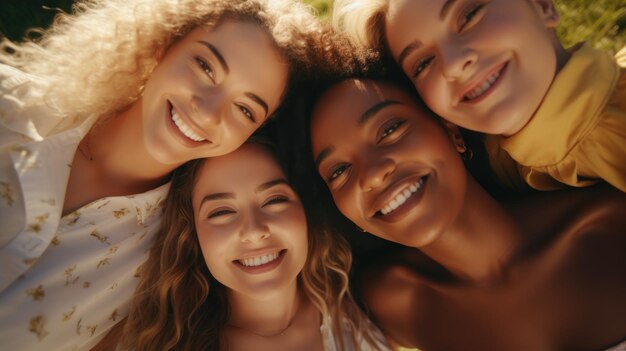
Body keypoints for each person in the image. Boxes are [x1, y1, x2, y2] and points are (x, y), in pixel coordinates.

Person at [0, 0, 331, 349]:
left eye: (245, 109)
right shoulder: (11, 106)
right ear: (161, 46)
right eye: (205, 66)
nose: (206, 110)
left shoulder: (168, 264)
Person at [302, 76, 626, 351]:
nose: (372, 175)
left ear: (451, 131)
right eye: (339, 170)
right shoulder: (394, 301)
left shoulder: (611, 226)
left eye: (390, 130)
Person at [120, 140, 389, 351]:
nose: (254, 231)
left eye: (274, 200)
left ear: (305, 210)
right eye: (221, 212)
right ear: (192, 235)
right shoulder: (155, 344)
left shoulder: (365, 310)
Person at [331, 0, 626, 192]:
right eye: (422, 64)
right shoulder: (492, 165)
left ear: (542, 5)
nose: (454, 64)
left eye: (469, 16)